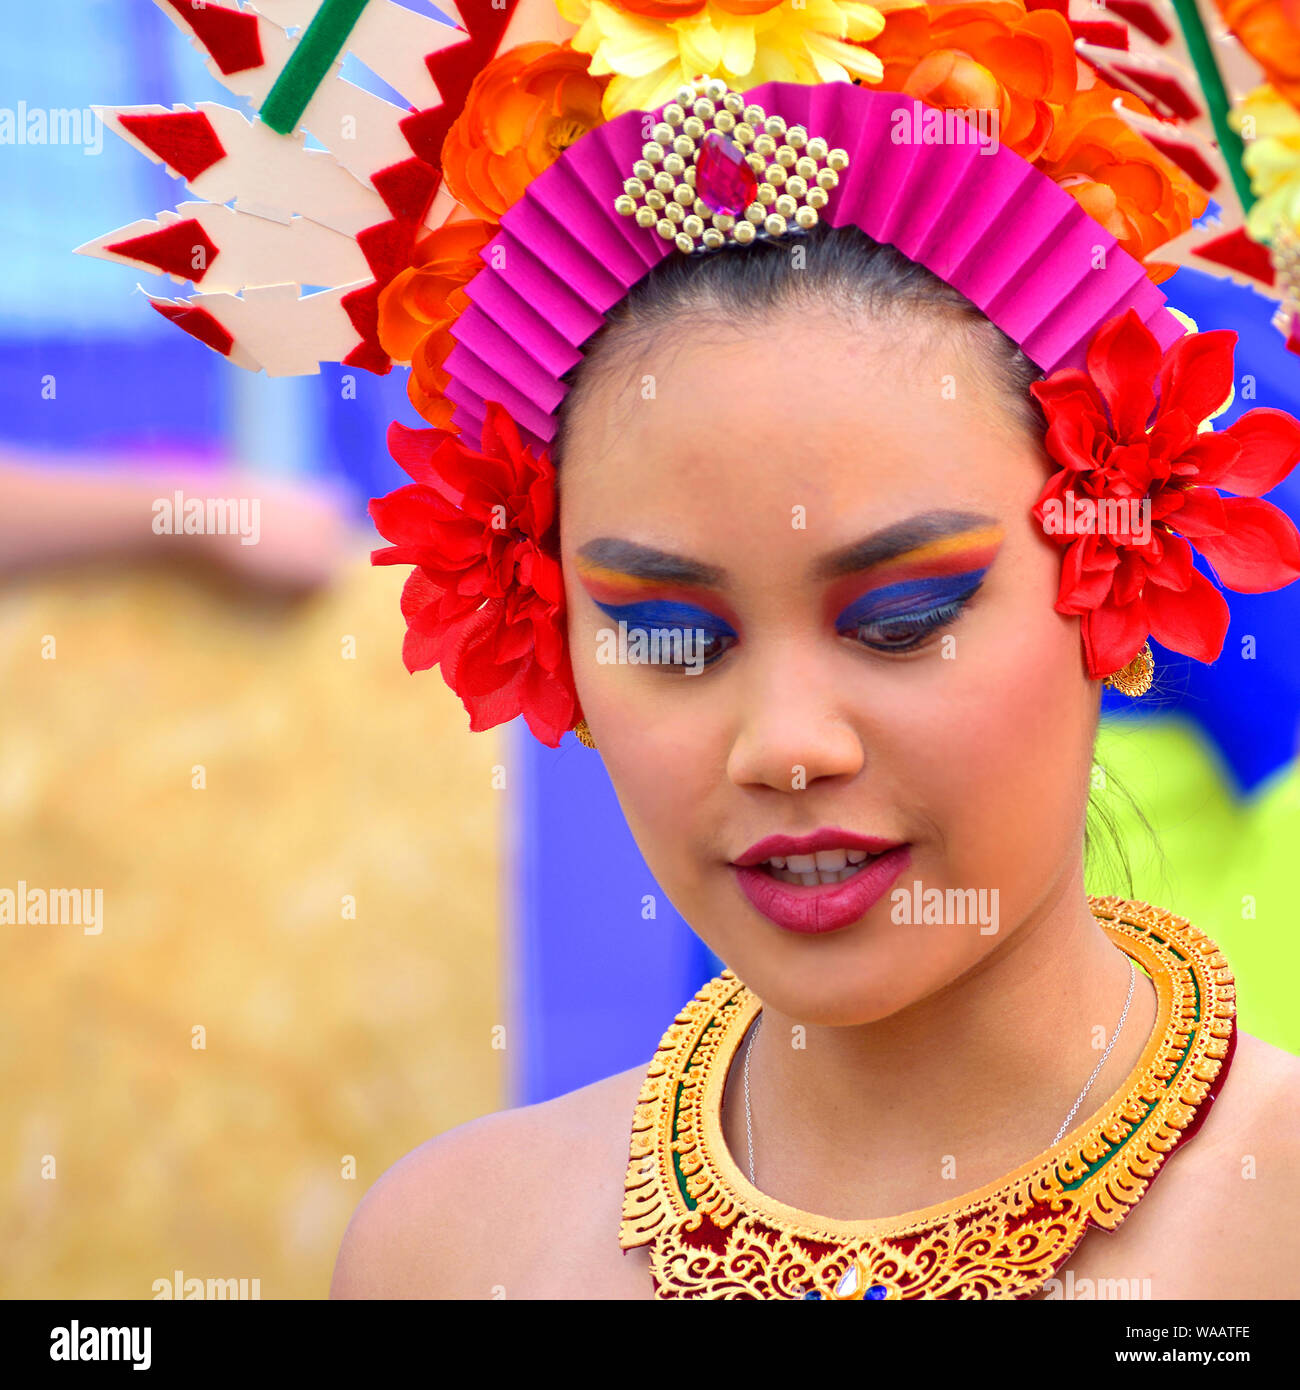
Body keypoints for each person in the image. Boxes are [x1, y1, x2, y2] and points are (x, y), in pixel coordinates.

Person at [330, 212, 1300, 1299]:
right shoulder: (450, 1253)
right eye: (671, 637)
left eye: (902, 616)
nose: (787, 745)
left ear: (1123, 564)